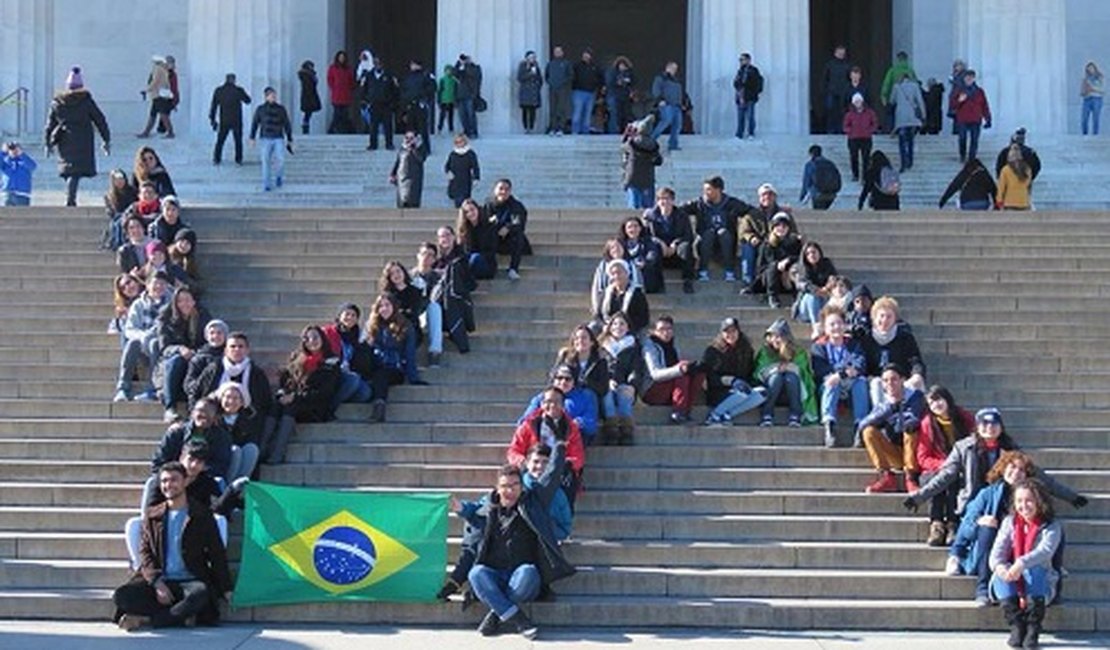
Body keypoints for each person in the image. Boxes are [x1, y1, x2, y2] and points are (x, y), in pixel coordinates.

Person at [906, 407, 1087, 546]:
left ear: (1001, 427)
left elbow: (1040, 476)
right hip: (974, 501)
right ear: (977, 426)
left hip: (1003, 500)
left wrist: (1072, 497)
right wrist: (919, 497)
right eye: (984, 423)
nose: (989, 428)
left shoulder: (1010, 449)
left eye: (994, 423)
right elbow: (945, 476)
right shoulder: (964, 447)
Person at [460, 459, 575, 639]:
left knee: (528, 571)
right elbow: (473, 511)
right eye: (505, 486)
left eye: (515, 485)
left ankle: (496, 613)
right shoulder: (490, 508)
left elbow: (552, 475)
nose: (510, 490)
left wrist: (559, 445)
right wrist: (460, 508)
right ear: (497, 488)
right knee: (476, 574)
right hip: (495, 575)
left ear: (522, 486)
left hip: (523, 578)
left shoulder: (532, 504)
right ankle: (520, 620)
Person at [111, 461, 232, 632]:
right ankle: (181, 617)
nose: (169, 485)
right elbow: (145, 553)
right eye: (164, 481)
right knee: (122, 596)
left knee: (201, 594)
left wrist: (226, 588)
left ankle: (146, 619)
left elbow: (216, 552)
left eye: (174, 480)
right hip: (161, 579)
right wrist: (157, 583)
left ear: (185, 482)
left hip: (189, 581)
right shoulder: (153, 515)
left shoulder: (201, 514)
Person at [989, 480, 1062, 649]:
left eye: (1029, 500)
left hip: (1040, 583)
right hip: (1014, 578)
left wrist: (1021, 563)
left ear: (1039, 501)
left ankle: (1032, 628)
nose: (1024, 505)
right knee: (1002, 574)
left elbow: (1045, 552)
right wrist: (1001, 567)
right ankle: (1017, 626)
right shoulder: (1009, 522)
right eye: (1019, 501)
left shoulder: (1051, 526)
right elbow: (996, 554)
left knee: (1035, 569)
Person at [260, 325, 340, 464]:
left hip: (315, 406)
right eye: (307, 338)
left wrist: (294, 397)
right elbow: (285, 382)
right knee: (275, 405)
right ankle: (261, 449)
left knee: (290, 407)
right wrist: (283, 394)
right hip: (294, 400)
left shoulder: (331, 362)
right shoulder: (297, 358)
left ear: (322, 339)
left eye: (315, 337)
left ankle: (278, 453)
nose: (311, 341)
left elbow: (324, 393)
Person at [916, 386, 975, 546]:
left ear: (947, 399)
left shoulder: (964, 418)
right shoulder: (927, 423)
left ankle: (952, 524)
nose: (936, 404)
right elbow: (923, 457)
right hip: (935, 468)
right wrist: (944, 465)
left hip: (962, 467)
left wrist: (956, 466)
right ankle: (936, 524)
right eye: (932, 402)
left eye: (939, 399)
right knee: (939, 479)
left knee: (954, 480)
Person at [45, 66, 111, 207]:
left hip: (64, 138)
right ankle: (70, 198)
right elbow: (100, 119)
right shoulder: (86, 101)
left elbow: (49, 125)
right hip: (82, 139)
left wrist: (47, 143)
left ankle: (70, 194)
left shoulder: (57, 103)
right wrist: (106, 139)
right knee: (74, 172)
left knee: (69, 170)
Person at [507, 387, 586, 496]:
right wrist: (524, 462)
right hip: (534, 467)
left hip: (559, 469)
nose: (552, 405)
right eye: (548, 402)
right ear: (542, 403)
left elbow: (578, 457)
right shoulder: (529, 424)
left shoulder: (571, 427)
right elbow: (514, 450)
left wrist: (563, 463)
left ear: (563, 405)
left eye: (557, 402)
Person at [858, 363, 924, 493]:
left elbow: (914, 418)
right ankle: (886, 476)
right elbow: (863, 424)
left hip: (915, 451)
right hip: (894, 451)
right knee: (869, 432)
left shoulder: (916, 397)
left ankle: (911, 478)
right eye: (885, 380)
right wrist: (889, 409)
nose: (890, 383)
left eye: (894, 379)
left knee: (910, 429)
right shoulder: (883, 403)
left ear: (902, 380)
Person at [811, 306, 868, 447]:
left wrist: (840, 373)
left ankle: (859, 427)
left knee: (860, 382)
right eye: (832, 324)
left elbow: (859, 364)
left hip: (851, 384)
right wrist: (843, 371)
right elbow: (821, 370)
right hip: (828, 386)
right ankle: (829, 426)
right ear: (825, 328)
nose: (836, 327)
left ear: (845, 325)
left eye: (839, 323)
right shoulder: (818, 347)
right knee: (831, 382)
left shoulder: (853, 344)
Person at [679, 176, 752, 284]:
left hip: (726, 244)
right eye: (704, 190)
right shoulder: (699, 203)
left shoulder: (731, 203)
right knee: (709, 233)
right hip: (705, 243)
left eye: (708, 189)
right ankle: (702, 271)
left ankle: (729, 271)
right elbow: (678, 210)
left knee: (723, 232)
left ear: (718, 190)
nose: (705, 193)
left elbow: (750, 210)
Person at [365, 293, 424, 423]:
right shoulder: (372, 325)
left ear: (394, 307)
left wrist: (413, 377)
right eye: (381, 306)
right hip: (375, 365)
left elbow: (410, 354)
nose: (384, 309)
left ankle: (379, 409)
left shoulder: (405, 325)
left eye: (387, 305)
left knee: (381, 376)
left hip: (394, 368)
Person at [189, 331, 273, 422]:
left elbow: (265, 400)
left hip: (246, 421)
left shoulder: (256, 373)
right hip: (214, 419)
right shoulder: (214, 369)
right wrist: (196, 413)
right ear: (225, 351)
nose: (237, 349)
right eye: (232, 346)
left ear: (247, 350)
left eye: (241, 346)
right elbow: (195, 392)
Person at [157, 287, 211, 423]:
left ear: (193, 301)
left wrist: (196, 353)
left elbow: (209, 341)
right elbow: (164, 347)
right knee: (175, 361)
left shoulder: (203, 316)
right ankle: (170, 408)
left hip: (197, 355)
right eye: (180, 301)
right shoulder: (165, 317)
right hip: (172, 359)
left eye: (187, 300)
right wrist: (180, 349)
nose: (184, 304)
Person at [114, 272, 170, 402]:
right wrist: (143, 336)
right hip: (143, 345)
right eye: (155, 283)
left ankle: (153, 389)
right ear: (147, 286)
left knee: (154, 343)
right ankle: (123, 388)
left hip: (162, 346)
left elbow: (167, 327)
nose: (159, 287)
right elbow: (130, 328)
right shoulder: (138, 304)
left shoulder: (171, 303)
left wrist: (151, 335)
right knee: (132, 343)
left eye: (162, 284)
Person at [862, 295, 926, 406]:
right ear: (874, 318)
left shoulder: (905, 337)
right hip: (877, 381)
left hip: (901, 380)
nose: (884, 320)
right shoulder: (866, 339)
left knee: (917, 383)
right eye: (881, 316)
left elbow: (915, 361)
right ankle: (881, 417)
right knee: (876, 384)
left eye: (889, 317)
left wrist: (917, 374)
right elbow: (863, 367)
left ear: (895, 319)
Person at [754, 318, 817, 427]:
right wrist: (774, 370)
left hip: (793, 392)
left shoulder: (798, 352)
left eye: (780, 336)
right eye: (774, 336)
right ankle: (767, 414)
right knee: (776, 377)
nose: (777, 340)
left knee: (791, 377)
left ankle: (795, 415)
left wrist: (790, 368)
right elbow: (758, 372)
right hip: (772, 391)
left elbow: (804, 373)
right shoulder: (765, 351)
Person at [701, 317, 763, 426]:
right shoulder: (712, 351)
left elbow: (749, 373)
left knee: (763, 392)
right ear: (721, 334)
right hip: (719, 391)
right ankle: (714, 415)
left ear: (739, 331)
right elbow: (710, 378)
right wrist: (731, 381)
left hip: (741, 389)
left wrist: (754, 383)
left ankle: (727, 414)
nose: (730, 335)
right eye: (726, 332)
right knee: (742, 392)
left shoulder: (747, 350)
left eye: (733, 331)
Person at [641, 316, 700, 424]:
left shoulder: (673, 346)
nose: (666, 332)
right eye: (661, 329)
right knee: (682, 370)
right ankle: (678, 412)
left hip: (669, 389)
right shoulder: (649, 346)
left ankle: (685, 410)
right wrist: (679, 369)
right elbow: (655, 374)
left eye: (669, 329)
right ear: (654, 331)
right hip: (651, 390)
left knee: (699, 373)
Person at [598, 312, 646, 445]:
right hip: (605, 382)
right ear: (610, 326)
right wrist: (607, 380)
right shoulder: (601, 346)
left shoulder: (633, 346)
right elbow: (598, 368)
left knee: (625, 394)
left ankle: (626, 430)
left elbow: (636, 369)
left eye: (622, 324)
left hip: (624, 382)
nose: (618, 327)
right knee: (606, 394)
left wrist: (632, 384)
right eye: (615, 323)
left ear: (627, 327)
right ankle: (611, 429)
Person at [518, 366, 599, 444]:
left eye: (568, 379)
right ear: (553, 380)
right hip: (545, 436)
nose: (563, 382)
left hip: (572, 438)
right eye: (559, 378)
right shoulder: (541, 398)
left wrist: (570, 424)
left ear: (574, 381)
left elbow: (591, 423)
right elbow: (524, 420)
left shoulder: (586, 396)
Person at [738, 183, 793, 292]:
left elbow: (792, 230)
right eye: (764, 195)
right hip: (759, 244)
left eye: (770, 194)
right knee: (747, 247)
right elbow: (743, 232)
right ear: (759, 197)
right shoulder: (752, 213)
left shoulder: (784, 214)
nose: (767, 197)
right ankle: (748, 281)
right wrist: (751, 238)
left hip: (778, 244)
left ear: (775, 197)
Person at [642, 187, 696, 294]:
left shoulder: (682, 215)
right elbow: (645, 236)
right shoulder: (649, 216)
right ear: (657, 201)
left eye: (667, 198)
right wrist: (660, 243)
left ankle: (687, 281)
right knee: (653, 249)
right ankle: (657, 285)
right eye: (661, 199)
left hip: (676, 252)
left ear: (672, 200)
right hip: (659, 252)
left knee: (685, 247)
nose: (664, 202)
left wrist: (675, 244)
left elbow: (688, 235)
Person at [432, 226, 477, 354]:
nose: (444, 238)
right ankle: (457, 334)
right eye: (441, 236)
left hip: (458, 297)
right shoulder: (436, 260)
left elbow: (469, 282)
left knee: (449, 294)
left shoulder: (462, 257)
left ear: (453, 237)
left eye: (447, 235)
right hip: (439, 299)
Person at [320, 303, 372, 413]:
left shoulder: (359, 336)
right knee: (354, 379)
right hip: (333, 372)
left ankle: (341, 395)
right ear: (339, 316)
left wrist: (365, 346)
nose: (350, 318)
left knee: (366, 393)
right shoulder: (328, 332)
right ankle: (329, 407)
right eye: (347, 314)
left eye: (354, 315)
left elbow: (364, 363)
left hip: (349, 373)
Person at [482, 179, 530, 281]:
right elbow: (483, 222)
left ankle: (513, 269)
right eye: (501, 189)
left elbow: (519, 223)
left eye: (507, 189)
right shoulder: (488, 205)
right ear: (494, 190)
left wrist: (508, 227)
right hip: (494, 239)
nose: (503, 192)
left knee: (518, 235)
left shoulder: (516, 206)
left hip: (510, 241)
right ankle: (490, 267)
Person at [554, 324, 610, 411]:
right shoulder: (565, 357)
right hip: (567, 391)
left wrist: (585, 383)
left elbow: (603, 388)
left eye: (584, 338)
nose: (580, 341)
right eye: (576, 338)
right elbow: (553, 377)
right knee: (539, 398)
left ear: (592, 342)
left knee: (585, 395)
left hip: (588, 397)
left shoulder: (600, 361)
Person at [249, 87, 293, 192]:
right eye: (271, 95)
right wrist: (252, 137)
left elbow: (287, 124)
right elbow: (255, 123)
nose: (274, 97)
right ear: (266, 96)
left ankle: (279, 176)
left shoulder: (281, 109)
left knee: (281, 160)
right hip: (265, 138)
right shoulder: (260, 109)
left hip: (278, 137)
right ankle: (266, 184)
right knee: (265, 161)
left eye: (274, 95)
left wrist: (290, 138)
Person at [410, 243, 447, 367]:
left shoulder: (438, 277)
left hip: (430, 314)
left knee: (434, 307)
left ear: (435, 259)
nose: (426, 257)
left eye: (431, 255)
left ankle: (434, 353)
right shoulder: (408, 276)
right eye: (424, 253)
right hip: (412, 314)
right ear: (418, 256)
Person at [591, 259, 650, 336]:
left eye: (619, 272)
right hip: (608, 328)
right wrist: (606, 326)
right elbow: (598, 315)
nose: (616, 276)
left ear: (627, 273)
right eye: (613, 273)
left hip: (630, 329)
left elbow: (643, 318)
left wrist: (623, 327)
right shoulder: (605, 293)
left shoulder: (637, 293)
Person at [756, 213, 802, 309]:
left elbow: (800, 258)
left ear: (788, 228)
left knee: (795, 268)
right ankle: (773, 297)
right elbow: (761, 266)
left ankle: (798, 296)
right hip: (770, 279)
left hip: (788, 279)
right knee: (773, 267)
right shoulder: (767, 244)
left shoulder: (795, 242)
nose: (781, 228)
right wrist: (777, 265)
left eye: (784, 226)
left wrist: (788, 260)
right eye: (777, 225)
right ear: (773, 228)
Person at [793, 241, 838, 338]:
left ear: (819, 253)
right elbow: (801, 284)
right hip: (805, 309)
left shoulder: (827, 264)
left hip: (823, 301)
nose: (811, 255)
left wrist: (828, 285)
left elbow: (834, 278)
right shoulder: (799, 268)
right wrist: (818, 291)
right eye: (808, 253)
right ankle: (817, 326)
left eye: (814, 252)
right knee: (811, 296)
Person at [208, 73, 251, 166]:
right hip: (236, 120)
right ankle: (238, 159)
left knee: (220, 141)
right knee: (238, 141)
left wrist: (212, 119)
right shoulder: (238, 90)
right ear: (234, 80)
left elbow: (214, 106)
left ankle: (216, 159)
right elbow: (248, 100)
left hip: (224, 119)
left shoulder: (219, 91)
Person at [181, 319, 227, 404]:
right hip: (203, 399)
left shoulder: (231, 356)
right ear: (206, 336)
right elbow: (188, 384)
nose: (216, 336)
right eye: (212, 333)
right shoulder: (199, 358)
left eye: (219, 333)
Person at [950, 69, 991, 163]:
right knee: (962, 138)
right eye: (967, 78)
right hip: (963, 119)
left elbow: (984, 105)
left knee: (974, 140)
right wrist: (959, 101)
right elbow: (952, 105)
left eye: (971, 78)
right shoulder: (959, 90)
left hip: (976, 118)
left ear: (974, 79)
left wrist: (988, 118)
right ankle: (962, 155)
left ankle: (972, 158)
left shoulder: (979, 91)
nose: (969, 80)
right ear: (964, 79)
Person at [621, 115, 662, 210]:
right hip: (648, 178)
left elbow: (622, 148)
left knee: (634, 207)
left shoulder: (631, 143)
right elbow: (659, 161)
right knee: (648, 209)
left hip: (633, 177)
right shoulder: (653, 144)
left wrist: (627, 134)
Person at [398, 59, 435, 157]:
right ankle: (410, 147)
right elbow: (403, 91)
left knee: (423, 129)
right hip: (410, 105)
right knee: (410, 129)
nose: (412, 66)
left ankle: (426, 149)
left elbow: (432, 88)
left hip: (420, 104)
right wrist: (404, 109)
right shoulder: (408, 77)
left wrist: (424, 97)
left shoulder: (426, 75)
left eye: (414, 64)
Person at [617, 216, 663, 294]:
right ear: (625, 230)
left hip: (644, 275)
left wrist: (645, 262)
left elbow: (652, 255)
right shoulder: (619, 243)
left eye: (636, 226)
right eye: (629, 227)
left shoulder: (648, 242)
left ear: (640, 228)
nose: (633, 229)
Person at [889, 73, 925, 172]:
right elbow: (920, 101)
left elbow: (892, 100)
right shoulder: (915, 86)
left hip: (901, 118)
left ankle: (903, 163)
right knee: (910, 140)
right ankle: (910, 161)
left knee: (902, 142)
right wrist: (923, 114)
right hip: (912, 117)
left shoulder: (896, 86)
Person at [362, 56, 398, 150]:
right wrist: (365, 100)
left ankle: (389, 144)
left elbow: (395, 90)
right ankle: (373, 144)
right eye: (376, 63)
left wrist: (393, 103)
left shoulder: (389, 76)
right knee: (373, 126)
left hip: (386, 105)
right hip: (374, 104)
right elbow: (364, 89)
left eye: (379, 63)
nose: (378, 65)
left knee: (388, 126)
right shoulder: (369, 76)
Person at [137, 56, 175, 139]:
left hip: (158, 95)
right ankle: (146, 132)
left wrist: (146, 90)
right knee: (153, 115)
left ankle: (170, 132)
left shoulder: (158, 69)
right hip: (159, 95)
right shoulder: (164, 70)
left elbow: (155, 82)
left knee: (162, 115)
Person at [842, 93, 877, 183]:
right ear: (853, 103)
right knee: (854, 157)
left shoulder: (870, 112)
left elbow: (874, 123)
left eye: (859, 101)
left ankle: (865, 176)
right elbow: (845, 126)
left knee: (866, 158)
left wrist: (870, 130)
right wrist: (850, 131)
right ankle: (855, 175)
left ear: (862, 101)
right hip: (853, 138)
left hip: (866, 138)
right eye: (856, 101)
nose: (858, 103)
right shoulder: (849, 114)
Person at [650, 62, 684, 151]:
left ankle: (673, 144)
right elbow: (656, 89)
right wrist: (659, 100)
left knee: (677, 125)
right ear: (667, 68)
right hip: (666, 104)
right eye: (672, 68)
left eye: (675, 68)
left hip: (677, 105)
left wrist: (683, 103)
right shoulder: (661, 78)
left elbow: (681, 93)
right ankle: (651, 139)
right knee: (666, 121)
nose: (674, 70)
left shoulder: (677, 80)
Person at [880, 51, 916, 131]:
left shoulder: (892, 70)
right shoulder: (910, 71)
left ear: (898, 59)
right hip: (908, 100)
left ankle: (891, 130)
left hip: (894, 97)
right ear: (906, 59)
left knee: (891, 115)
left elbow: (886, 84)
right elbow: (916, 85)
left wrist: (884, 96)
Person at [389, 131, 425, 209]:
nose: (408, 140)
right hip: (402, 177)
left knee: (412, 199)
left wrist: (413, 149)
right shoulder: (402, 149)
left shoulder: (420, 148)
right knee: (402, 198)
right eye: (407, 138)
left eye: (411, 138)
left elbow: (421, 159)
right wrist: (393, 174)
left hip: (414, 178)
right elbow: (398, 162)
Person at [571, 48, 602, 135]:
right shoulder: (577, 66)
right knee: (577, 112)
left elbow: (600, 79)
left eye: (587, 54)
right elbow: (571, 77)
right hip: (578, 92)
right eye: (584, 54)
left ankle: (585, 132)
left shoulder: (595, 67)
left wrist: (598, 90)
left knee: (587, 114)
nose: (585, 56)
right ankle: (575, 131)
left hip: (591, 93)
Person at [799, 145, 840, 210]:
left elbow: (806, 183)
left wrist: (802, 197)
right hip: (832, 194)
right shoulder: (830, 163)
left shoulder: (810, 165)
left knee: (818, 212)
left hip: (818, 194)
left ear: (811, 154)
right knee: (824, 211)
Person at [733, 53, 763, 139]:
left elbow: (757, 83)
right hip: (741, 97)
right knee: (740, 116)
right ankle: (739, 134)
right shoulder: (740, 71)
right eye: (740, 60)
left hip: (750, 97)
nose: (741, 61)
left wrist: (754, 93)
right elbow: (736, 83)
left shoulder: (754, 70)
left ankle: (751, 133)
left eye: (742, 59)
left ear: (748, 60)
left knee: (750, 117)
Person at [445, 133, 480, 208]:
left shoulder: (470, 154)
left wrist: (476, 178)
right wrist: (448, 172)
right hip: (455, 181)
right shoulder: (453, 154)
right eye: (457, 142)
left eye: (461, 141)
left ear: (465, 142)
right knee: (456, 199)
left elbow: (475, 166)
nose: (459, 144)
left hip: (465, 180)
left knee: (464, 199)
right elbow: (447, 166)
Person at [823, 45, 852, 134]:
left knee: (843, 111)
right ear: (835, 53)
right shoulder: (829, 65)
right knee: (831, 111)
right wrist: (826, 89)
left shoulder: (847, 65)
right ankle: (830, 130)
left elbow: (850, 78)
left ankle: (842, 129)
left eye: (843, 53)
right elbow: (825, 78)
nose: (841, 55)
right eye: (839, 53)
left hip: (843, 92)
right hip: (831, 91)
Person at [545, 45, 573, 135]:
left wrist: (563, 82)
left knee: (561, 109)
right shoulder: (550, 64)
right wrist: (550, 82)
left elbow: (571, 76)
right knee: (552, 109)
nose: (557, 53)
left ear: (562, 52)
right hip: (552, 89)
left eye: (559, 51)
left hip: (563, 89)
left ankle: (561, 128)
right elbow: (546, 75)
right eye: (555, 51)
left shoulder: (566, 63)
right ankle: (553, 128)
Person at [326, 50, 356, 134]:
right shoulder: (333, 68)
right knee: (337, 114)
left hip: (346, 95)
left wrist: (350, 88)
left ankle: (346, 130)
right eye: (340, 57)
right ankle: (331, 130)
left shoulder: (348, 69)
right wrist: (334, 87)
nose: (341, 59)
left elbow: (351, 81)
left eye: (343, 57)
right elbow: (330, 79)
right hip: (337, 95)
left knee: (345, 115)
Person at [996, 144, 1033, 211]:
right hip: (1024, 201)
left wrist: (999, 200)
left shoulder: (1005, 170)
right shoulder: (1027, 169)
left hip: (1009, 202)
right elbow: (1028, 184)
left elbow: (1001, 187)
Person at [454, 54, 483, 139]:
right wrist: (458, 64)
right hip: (460, 95)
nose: (465, 60)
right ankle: (466, 131)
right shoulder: (460, 68)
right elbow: (454, 73)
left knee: (471, 115)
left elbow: (474, 75)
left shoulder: (476, 68)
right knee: (462, 116)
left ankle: (473, 132)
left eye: (467, 59)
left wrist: (468, 64)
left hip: (470, 95)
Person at [605, 56, 635, 134]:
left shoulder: (629, 74)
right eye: (621, 65)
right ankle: (613, 131)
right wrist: (619, 82)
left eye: (624, 65)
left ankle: (624, 131)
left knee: (625, 114)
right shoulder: (612, 72)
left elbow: (633, 82)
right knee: (614, 114)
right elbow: (609, 83)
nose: (622, 67)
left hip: (625, 97)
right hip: (614, 96)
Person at [0, 141, 36, 206]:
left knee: (22, 215)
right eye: (11, 149)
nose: (13, 151)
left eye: (15, 149)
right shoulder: (5, 161)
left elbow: (32, 166)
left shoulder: (24, 161)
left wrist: (21, 154)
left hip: (22, 195)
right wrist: (2, 152)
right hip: (7, 194)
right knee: (5, 215)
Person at [517, 51, 543, 133]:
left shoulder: (536, 66)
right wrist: (530, 73)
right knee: (525, 110)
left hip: (534, 92)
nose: (533, 59)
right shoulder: (522, 66)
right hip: (525, 92)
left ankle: (531, 127)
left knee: (533, 111)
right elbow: (520, 78)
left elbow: (540, 78)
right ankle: (525, 128)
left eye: (534, 57)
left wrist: (538, 86)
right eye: (531, 57)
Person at [297, 60, 322, 135]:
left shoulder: (310, 74)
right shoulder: (306, 75)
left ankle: (305, 126)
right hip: (308, 96)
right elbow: (308, 86)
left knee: (308, 113)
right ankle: (305, 126)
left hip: (310, 95)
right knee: (308, 112)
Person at [1080, 61, 1104, 135]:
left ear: (1094, 68)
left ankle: (1095, 135)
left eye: (1091, 68)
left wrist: (1092, 88)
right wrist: (1084, 91)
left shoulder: (1100, 77)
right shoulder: (1085, 79)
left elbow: (1102, 90)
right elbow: (1081, 92)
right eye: (1088, 69)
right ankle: (1084, 134)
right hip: (1087, 99)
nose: (1090, 70)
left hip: (1097, 99)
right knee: (1084, 119)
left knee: (1096, 118)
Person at [436, 65, 457, 133]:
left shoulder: (454, 80)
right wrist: (439, 100)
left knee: (451, 116)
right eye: (447, 70)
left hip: (451, 100)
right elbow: (439, 91)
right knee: (442, 115)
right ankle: (439, 128)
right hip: (444, 100)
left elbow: (455, 91)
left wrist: (455, 101)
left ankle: (451, 129)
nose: (449, 72)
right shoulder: (442, 79)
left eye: (450, 70)